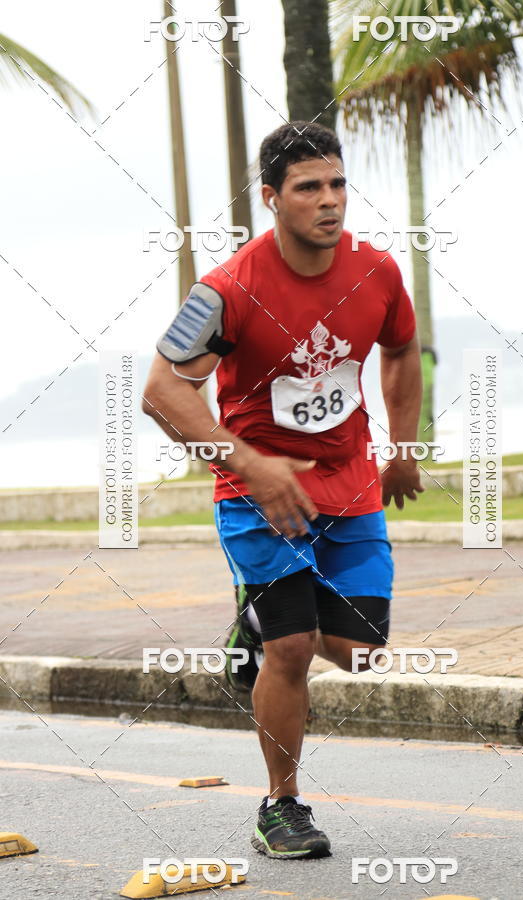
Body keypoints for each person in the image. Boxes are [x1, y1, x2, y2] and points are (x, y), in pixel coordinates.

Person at [142, 121, 423, 860]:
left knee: (361, 652)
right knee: (294, 647)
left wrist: (401, 449)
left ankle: (254, 626)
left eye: (337, 185)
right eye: (308, 188)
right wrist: (254, 466)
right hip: (257, 494)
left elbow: (398, 352)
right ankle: (282, 806)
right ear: (272, 198)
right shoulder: (228, 290)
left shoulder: (379, 273)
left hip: (350, 481)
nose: (329, 202)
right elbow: (163, 392)